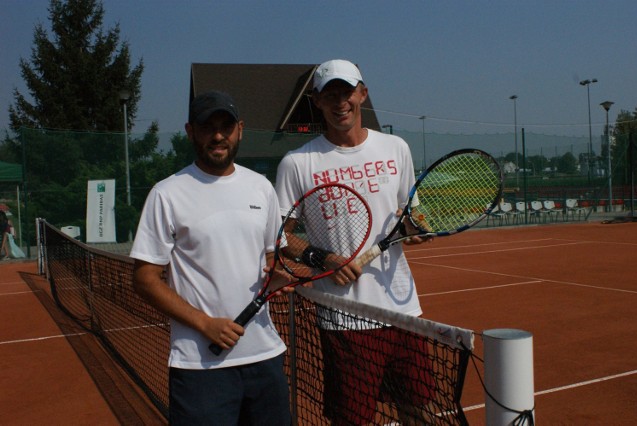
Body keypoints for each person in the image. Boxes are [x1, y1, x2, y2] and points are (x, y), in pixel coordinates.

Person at [275, 59, 433, 425]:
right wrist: (325, 258)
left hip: (402, 310)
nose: (339, 102)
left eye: (346, 92)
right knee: (353, 420)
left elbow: (410, 219)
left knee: (419, 412)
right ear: (317, 100)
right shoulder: (297, 163)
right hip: (344, 318)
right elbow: (279, 236)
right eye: (330, 94)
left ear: (362, 93)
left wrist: (414, 230)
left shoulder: (396, 148)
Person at [130, 91, 291, 425]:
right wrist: (206, 324)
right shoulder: (167, 194)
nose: (218, 135)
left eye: (226, 126)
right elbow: (144, 280)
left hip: (265, 359)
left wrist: (276, 277)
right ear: (191, 131)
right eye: (208, 127)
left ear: (240, 130)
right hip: (199, 368)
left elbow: (272, 256)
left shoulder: (261, 187)